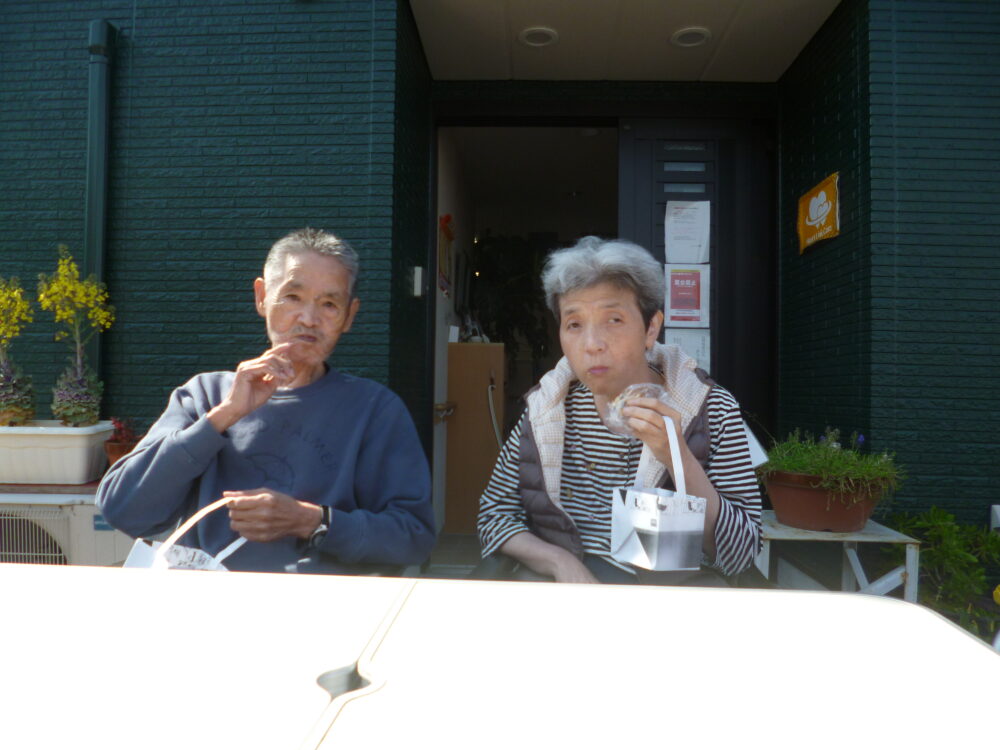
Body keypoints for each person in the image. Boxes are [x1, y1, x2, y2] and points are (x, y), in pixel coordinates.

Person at [97, 228, 436, 573]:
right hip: (208, 600)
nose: (308, 319)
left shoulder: (374, 410)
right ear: (262, 297)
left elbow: (414, 536)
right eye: (292, 297)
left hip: (322, 602)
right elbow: (122, 509)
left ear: (349, 316)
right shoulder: (205, 395)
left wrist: (312, 521)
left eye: (329, 304)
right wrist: (225, 415)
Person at [477, 236, 761, 584]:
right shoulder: (545, 410)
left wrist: (677, 456)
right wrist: (560, 563)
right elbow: (494, 515)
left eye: (613, 320)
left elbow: (742, 551)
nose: (592, 344)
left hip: (668, 596)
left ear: (651, 328)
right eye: (574, 324)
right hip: (565, 593)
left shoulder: (709, 408)